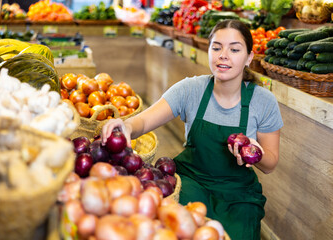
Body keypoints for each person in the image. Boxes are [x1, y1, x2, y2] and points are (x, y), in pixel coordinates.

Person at [101, 19, 283, 240]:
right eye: (216, 47)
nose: (223, 55)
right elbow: (144, 122)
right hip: (191, 181)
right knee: (182, 228)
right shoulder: (191, 89)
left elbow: (271, 164)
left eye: (234, 49)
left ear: (249, 58)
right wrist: (127, 125)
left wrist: (257, 155)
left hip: (238, 194)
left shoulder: (263, 101)